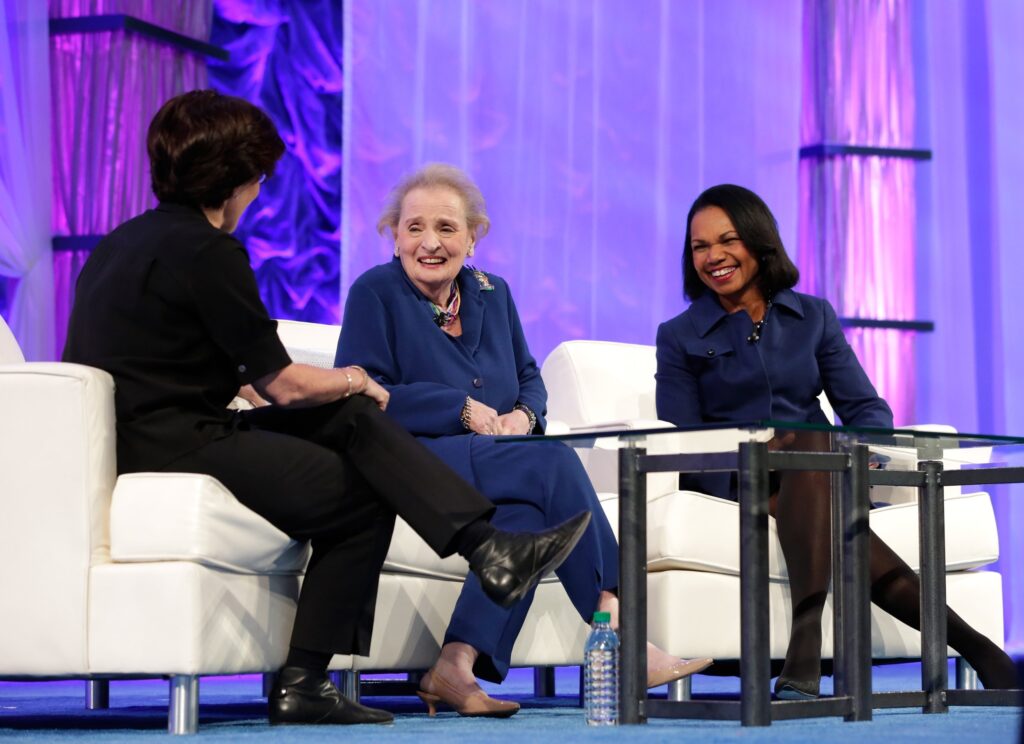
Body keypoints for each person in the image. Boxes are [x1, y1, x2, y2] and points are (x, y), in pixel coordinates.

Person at [62, 91, 592, 726]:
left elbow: (244, 375)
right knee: (359, 490)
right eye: (257, 180)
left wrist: (344, 396)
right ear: (232, 179)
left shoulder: (121, 243)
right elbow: (280, 385)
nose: (257, 194)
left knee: (352, 422)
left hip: (162, 428)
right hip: (178, 440)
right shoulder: (208, 252)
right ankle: (305, 680)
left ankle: (489, 549)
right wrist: (352, 379)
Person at [335, 163, 712, 718]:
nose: (429, 242)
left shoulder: (492, 292)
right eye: (413, 227)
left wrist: (523, 416)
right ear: (394, 236)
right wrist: (458, 408)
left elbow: (530, 377)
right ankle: (618, 622)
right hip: (411, 459)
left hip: (493, 456)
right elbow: (365, 394)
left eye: (445, 227)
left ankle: (455, 665)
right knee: (551, 464)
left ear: (472, 237)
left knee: (529, 512)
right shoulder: (375, 292)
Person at [655, 183, 1019, 698]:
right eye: (699, 247)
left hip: (817, 472)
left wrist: (864, 449)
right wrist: (757, 453)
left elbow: (867, 410)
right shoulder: (680, 335)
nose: (713, 256)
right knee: (821, 467)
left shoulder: (813, 318)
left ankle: (806, 647)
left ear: (759, 243)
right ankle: (980, 650)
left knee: (815, 445)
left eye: (727, 240)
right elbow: (682, 436)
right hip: (737, 479)